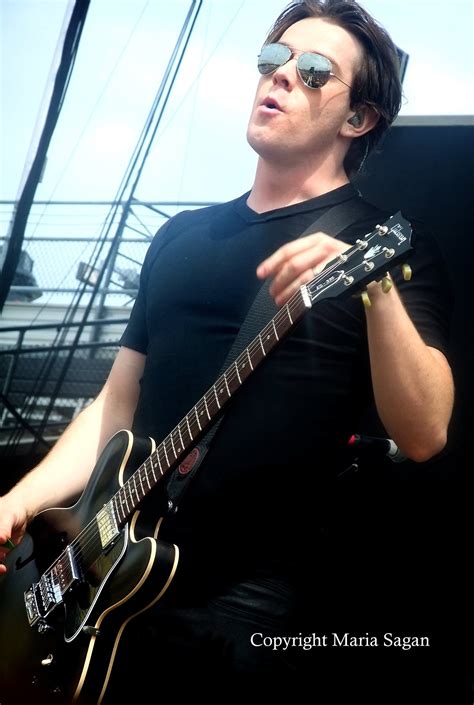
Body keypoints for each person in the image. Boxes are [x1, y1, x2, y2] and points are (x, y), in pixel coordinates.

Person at [0, 0, 454, 696]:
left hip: (252, 606)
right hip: (108, 577)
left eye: (312, 72)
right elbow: (117, 404)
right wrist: (20, 500)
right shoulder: (180, 237)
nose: (279, 78)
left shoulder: (382, 247)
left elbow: (424, 433)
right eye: (273, 60)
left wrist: (378, 290)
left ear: (358, 118)